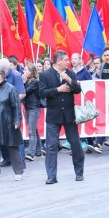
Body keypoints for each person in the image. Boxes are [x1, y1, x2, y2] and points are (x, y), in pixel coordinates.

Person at [39, 50, 84, 184]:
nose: (68, 62)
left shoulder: (70, 73)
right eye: (66, 60)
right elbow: (42, 93)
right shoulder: (45, 75)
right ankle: (51, 176)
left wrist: (69, 80)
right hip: (54, 116)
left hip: (69, 115)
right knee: (51, 146)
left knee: (75, 144)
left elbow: (77, 90)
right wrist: (59, 89)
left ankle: (79, 173)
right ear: (59, 61)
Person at [0, 66, 25, 183]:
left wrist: (17, 121)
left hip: (8, 123)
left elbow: (16, 106)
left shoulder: (10, 89)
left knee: (12, 147)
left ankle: (18, 171)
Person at [23, 63, 42, 161]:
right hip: (28, 107)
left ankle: (31, 153)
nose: (24, 72)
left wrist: (23, 81)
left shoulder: (34, 82)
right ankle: (38, 150)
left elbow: (25, 92)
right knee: (34, 130)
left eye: (25, 70)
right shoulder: (28, 81)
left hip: (34, 108)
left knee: (31, 131)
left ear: (31, 71)